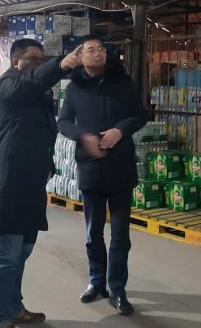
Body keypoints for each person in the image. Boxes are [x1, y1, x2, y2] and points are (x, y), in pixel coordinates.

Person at [0, 39, 83, 328]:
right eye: (33, 59)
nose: (40, 64)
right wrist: (59, 65)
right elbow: (27, 86)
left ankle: (13, 307)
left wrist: (48, 164)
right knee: (6, 255)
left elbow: (42, 131)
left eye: (42, 59)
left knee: (22, 251)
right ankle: (0, 317)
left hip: (31, 182)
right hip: (7, 182)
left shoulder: (39, 92)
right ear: (16, 62)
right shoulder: (9, 84)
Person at [57, 35, 147, 316]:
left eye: (101, 49)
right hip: (91, 168)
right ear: (81, 57)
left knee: (120, 237)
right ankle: (97, 282)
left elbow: (140, 115)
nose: (98, 53)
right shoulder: (74, 89)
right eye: (91, 50)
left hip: (120, 167)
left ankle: (117, 289)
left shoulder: (123, 83)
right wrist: (83, 136)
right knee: (92, 233)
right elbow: (63, 122)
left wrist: (120, 130)